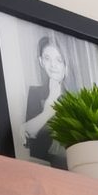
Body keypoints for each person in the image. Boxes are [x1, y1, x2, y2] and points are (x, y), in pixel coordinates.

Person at [23, 35, 69, 168]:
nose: (53, 65)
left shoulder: (73, 100)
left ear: (65, 64)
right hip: (41, 167)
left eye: (59, 60)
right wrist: (48, 111)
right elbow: (28, 134)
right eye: (47, 58)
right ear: (41, 61)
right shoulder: (35, 93)